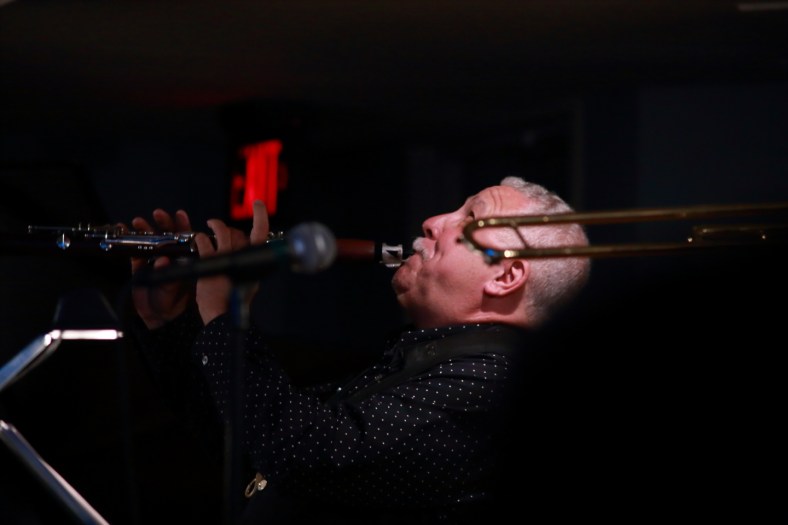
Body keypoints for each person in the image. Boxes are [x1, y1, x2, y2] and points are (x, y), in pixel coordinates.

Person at [128, 176, 591, 524]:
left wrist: (226, 315)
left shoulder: (492, 385)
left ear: (506, 276)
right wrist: (173, 323)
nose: (433, 221)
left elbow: (303, 454)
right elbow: (254, 453)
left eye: (470, 218)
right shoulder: (434, 360)